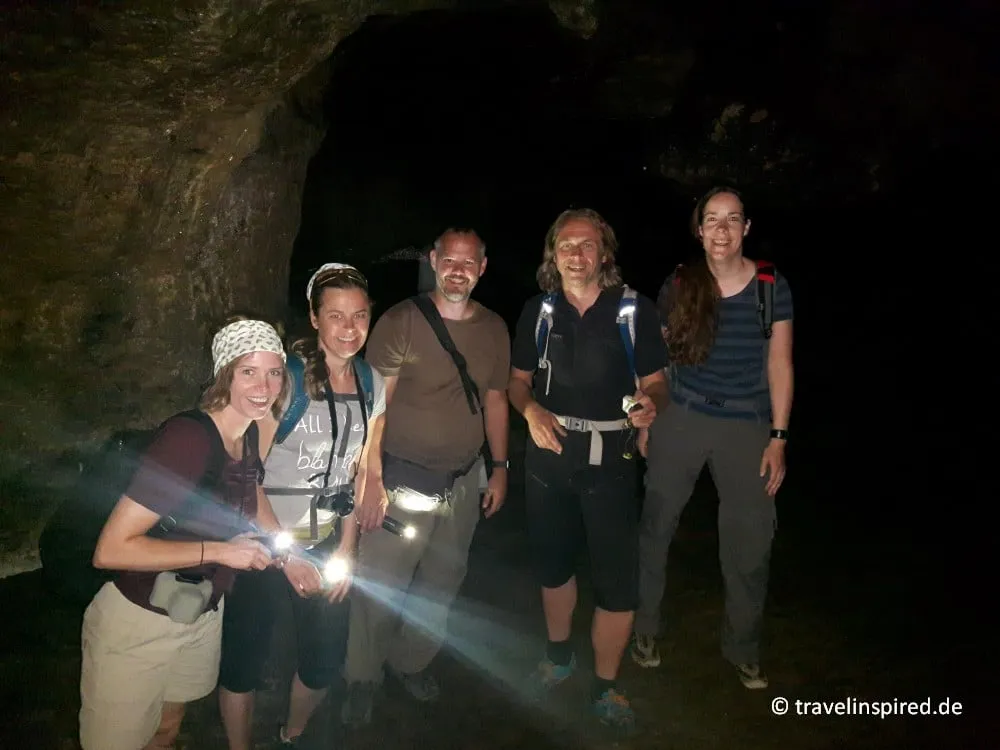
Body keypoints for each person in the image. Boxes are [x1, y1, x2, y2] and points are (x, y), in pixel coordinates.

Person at [79, 318, 284, 750]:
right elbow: (111, 549)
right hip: (139, 622)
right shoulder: (187, 439)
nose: (264, 386)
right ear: (223, 374)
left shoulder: (247, 434)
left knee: (168, 727)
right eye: (248, 371)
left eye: (274, 372)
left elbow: (252, 493)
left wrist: (291, 555)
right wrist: (222, 552)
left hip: (201, 612)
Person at [340, 228, 511, 725]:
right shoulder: (401, 322)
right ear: (434, 261)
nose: (458, 270)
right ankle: (361, 676)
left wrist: (499, 469)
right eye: (449, 260)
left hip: (464, 480)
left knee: (443, 583)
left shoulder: (495, 328)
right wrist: (369, 480)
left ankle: (410, 661)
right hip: (400, 481)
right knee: (381, 584)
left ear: (482, 267)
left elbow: (496, 399)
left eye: (468, 262)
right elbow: (377, 407)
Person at [507, 208, 668, 733]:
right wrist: (529, 411)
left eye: (587, 245)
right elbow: (517, 382)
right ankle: (558, 657)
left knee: (616, 581)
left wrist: (651, 407)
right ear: (553, 254)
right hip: (549, 456)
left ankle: (605, 685)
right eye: (566, 245)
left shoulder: (633, 310)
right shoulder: (538, 310)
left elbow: (657, 382)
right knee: (553, 565)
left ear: (605, 253)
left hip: (610, 460)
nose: (577, 254)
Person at [630, 186, 794, 690]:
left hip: (747, 424)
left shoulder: (771, 285)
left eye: (733, 219)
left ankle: (743, 646)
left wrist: (778, 438)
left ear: (746, 228)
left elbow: (780, 365)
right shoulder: (680, 284)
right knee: (657, 526)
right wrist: (649, 411)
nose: (722, 229)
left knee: (749, 539)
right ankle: (645, 629)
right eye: (712, 220)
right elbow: (653, 357)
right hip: (681, 414)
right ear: (698, 230)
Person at [218, 263, 387, 748]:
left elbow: (354, 474)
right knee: (244, 659)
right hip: (261, 542)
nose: (350, 328)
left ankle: (292, 734)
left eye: (359, 315)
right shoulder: (285, 382)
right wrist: (285, 555)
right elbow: (247, 475)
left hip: (327, 538)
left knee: (324, 657)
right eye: (336, 316)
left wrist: (348, 552)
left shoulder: (372, 383)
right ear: (314, 319)